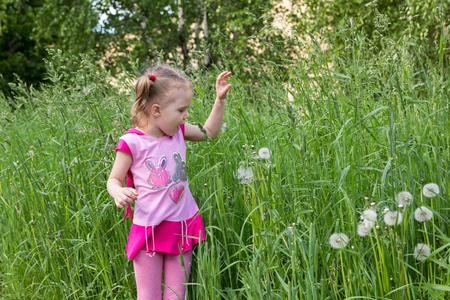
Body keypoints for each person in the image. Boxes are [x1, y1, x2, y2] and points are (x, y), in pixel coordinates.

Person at [107, 65, 231, 300]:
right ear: (156, 110)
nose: (186, 115)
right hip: (149, 229)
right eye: (181, 109)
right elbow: (114, 179)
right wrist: (118, 192)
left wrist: (220, 100)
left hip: (181, 225)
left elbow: (208, 133)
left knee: (176, 296)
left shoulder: (179, 132)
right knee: (148, 296)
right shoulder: (131, 142)